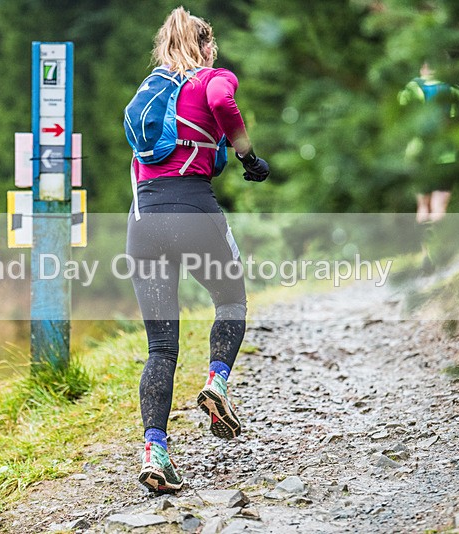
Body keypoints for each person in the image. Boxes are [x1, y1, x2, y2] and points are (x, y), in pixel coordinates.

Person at [126, 6, 270, 493]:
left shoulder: (150, 95)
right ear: (205, 46)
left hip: (142, 225)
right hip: (193, 214)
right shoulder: (210, 77)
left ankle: (155, 452)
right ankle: (217, 382)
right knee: (231, 300)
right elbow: (220, 99)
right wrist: (248, 155)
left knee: (161, 348)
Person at [398, 61, 459, 224]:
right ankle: (437, 244)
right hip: (447, 152)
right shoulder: (455, 90)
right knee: (440, 207)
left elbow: (399, 118)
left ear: (421, 68)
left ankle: (424, 248)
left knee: (423, 208)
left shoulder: (411, 89)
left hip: (419, 153)